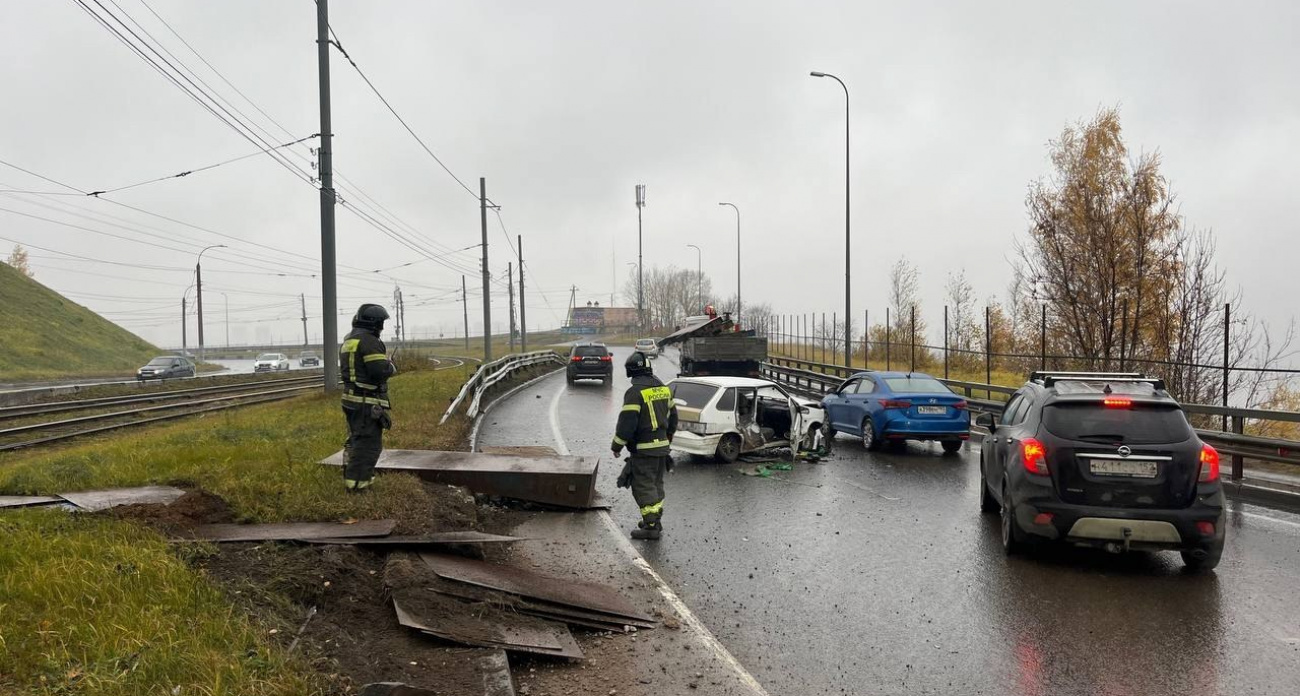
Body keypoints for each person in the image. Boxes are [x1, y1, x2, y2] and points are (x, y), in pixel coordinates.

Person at [612, 351, 677, 540]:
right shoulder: (664, 389)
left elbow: (627, 423)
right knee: (656, 484)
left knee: (643, 486)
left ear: (632, 372)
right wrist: (668, 438)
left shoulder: (634, 393)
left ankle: (650, 526)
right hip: (662, 450)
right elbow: (674, 417)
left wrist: (617, 446)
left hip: (644, 450)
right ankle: (655, 519)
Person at [340, 303, 396, 492]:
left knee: (356, 442)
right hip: (366, 402)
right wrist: (391, 366)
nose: (382, 327)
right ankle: (357, 489)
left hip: (352, 400)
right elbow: (378, 371)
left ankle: (357, 481)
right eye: (381, 323)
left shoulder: (350, 340)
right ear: (375, 323)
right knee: (368, 447)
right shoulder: (369, 341)